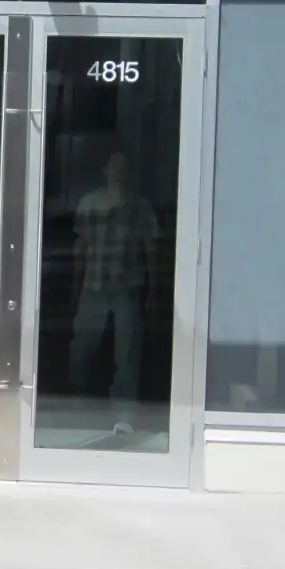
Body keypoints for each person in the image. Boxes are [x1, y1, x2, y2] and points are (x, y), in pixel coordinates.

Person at [69, 150, 160, 432]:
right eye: (115, 166)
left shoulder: (140, 206)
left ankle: (124, 413)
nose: (119, 172)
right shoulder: (89, 203)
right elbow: (81, 247)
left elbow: (151, 249)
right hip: (94, 285)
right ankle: (77, 400)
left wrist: (155, 289)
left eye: (124, 167)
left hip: (127, 286)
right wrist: (74, 287)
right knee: (82, 346)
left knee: (128, 352)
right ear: (105, 170)